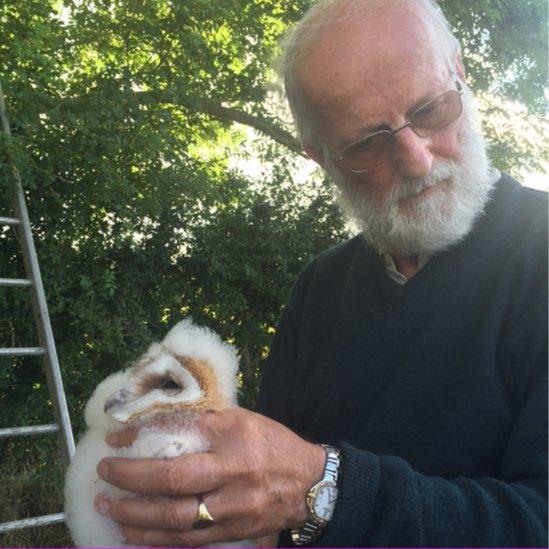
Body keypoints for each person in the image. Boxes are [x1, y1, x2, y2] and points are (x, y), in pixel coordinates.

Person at [94, 0, 548, 546]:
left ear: (461, 74)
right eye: (366, 144)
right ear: (320, 157)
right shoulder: (321, 288)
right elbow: (269, 497)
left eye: (431, 110)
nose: (417, 158)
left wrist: (327, 491)